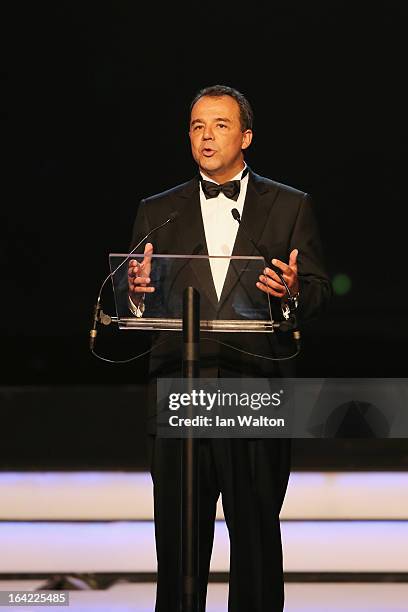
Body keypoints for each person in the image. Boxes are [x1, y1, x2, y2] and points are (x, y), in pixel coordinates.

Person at [127, 85, 331, 611]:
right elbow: (137, 296)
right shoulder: (159, 210)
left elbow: (316, 293)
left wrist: (290, 292)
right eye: (196, 126)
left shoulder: (290, 206)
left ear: (246, 136)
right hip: (182, 389)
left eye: (219, 125)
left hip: (254, 391)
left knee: (256, 538)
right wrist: (136, 292)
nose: (206, 136)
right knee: (177, 542)